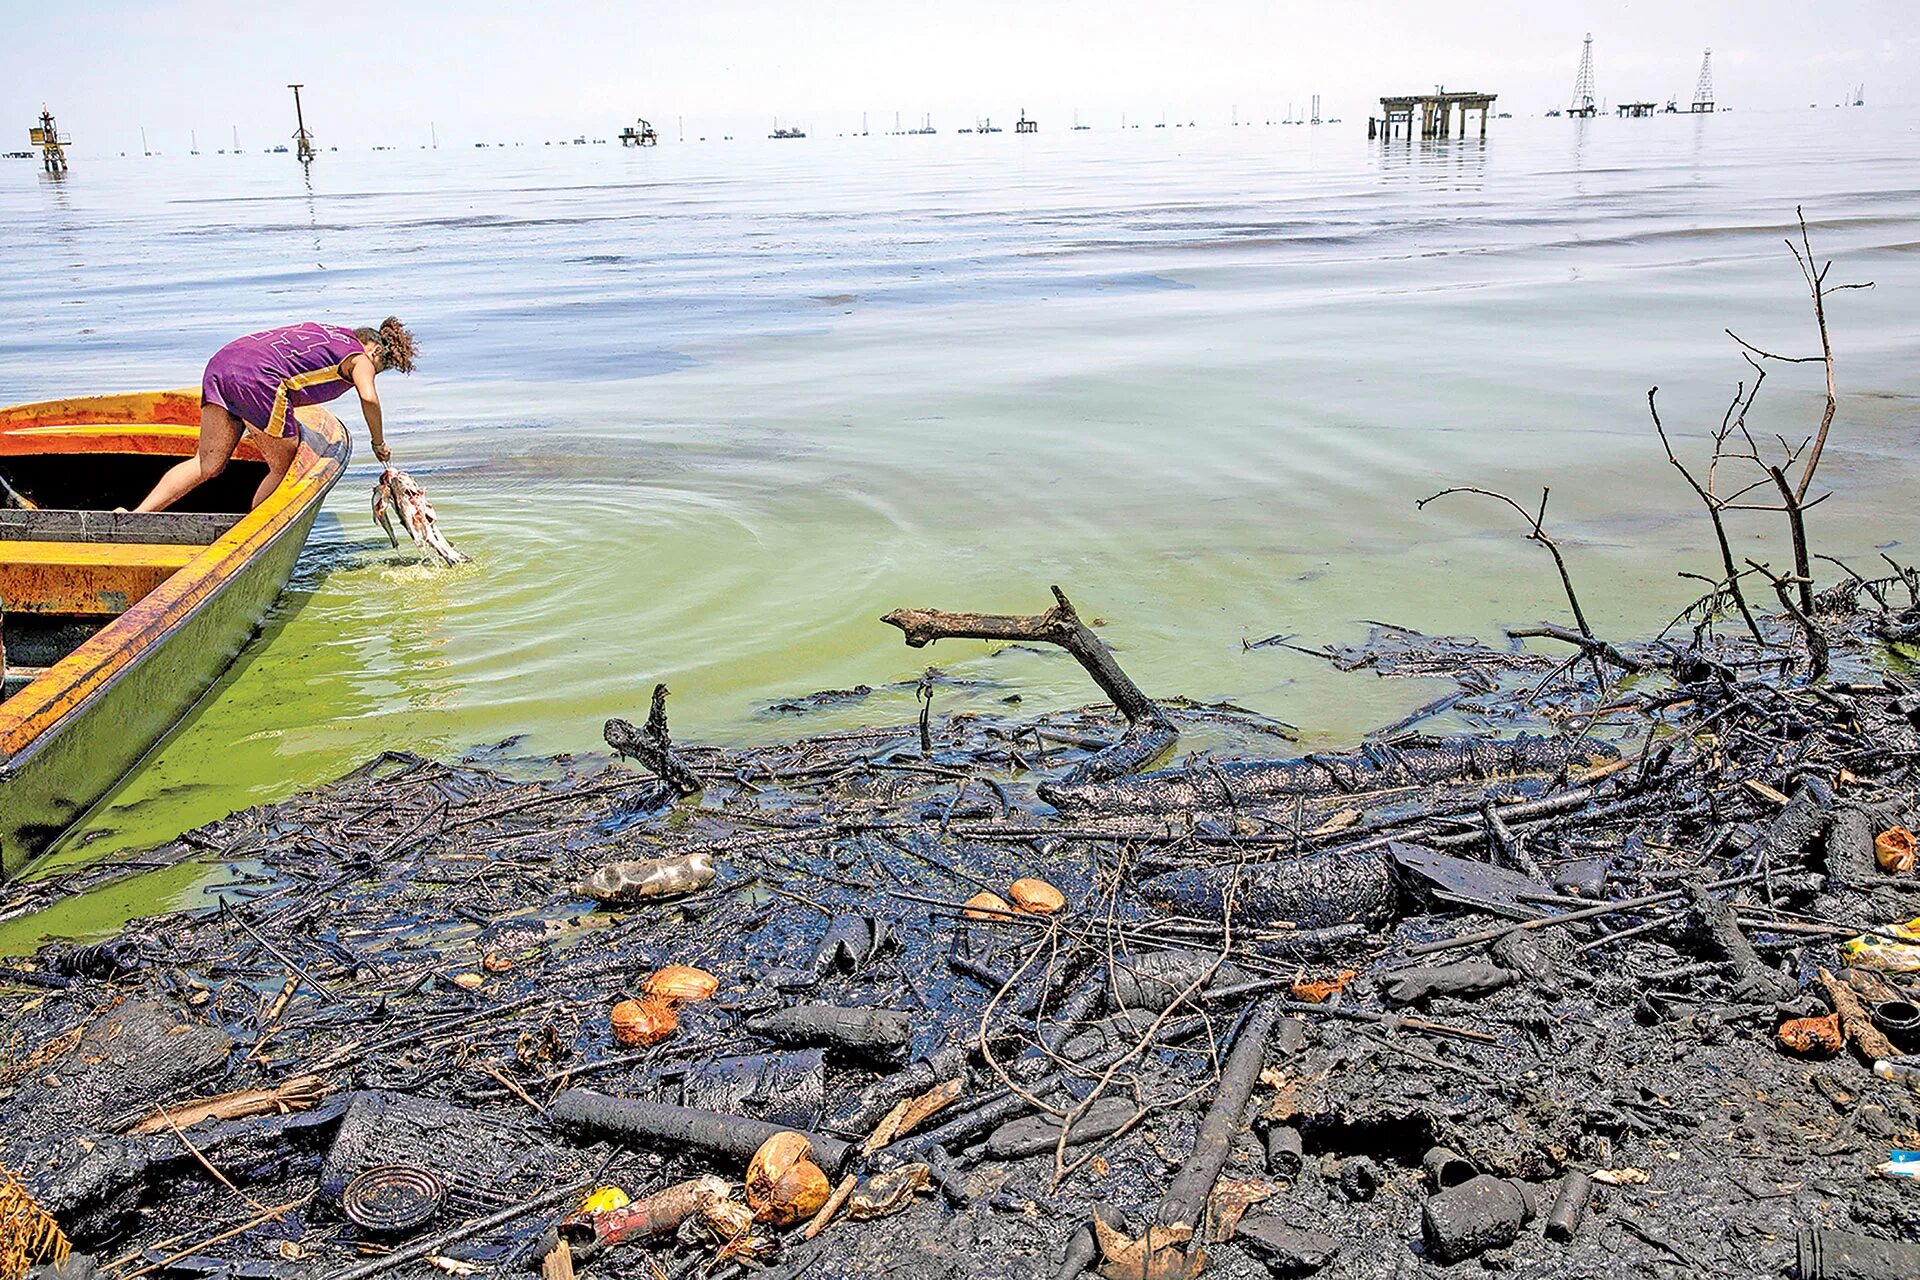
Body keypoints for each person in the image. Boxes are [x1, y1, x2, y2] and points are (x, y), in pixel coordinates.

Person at [136, 317, 416, 512]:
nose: (370, 373)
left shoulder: (331, 332)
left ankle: (135, 514)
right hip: (259, 380)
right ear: (376, 349)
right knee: (286, 466)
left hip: (222, 363)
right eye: (378, 368)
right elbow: (368, 397)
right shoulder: (360, 357)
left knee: (207, 463)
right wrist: (378, 442)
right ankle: (253, 534)